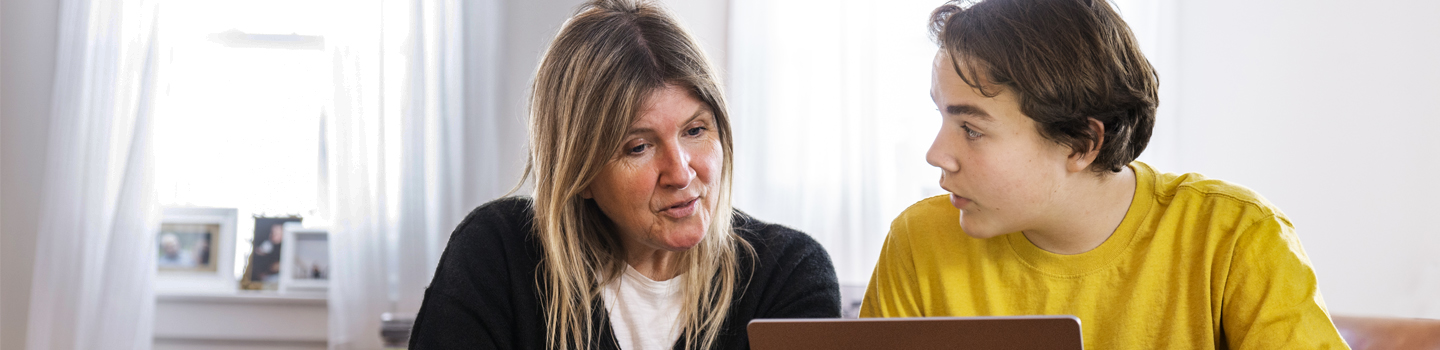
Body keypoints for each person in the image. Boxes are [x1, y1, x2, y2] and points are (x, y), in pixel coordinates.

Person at [860, 0, 1349, 348]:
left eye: (970, 128)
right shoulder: (919, 240)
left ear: (1081, 144)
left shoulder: (1237, 237)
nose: (935, 154)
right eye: (942, 116)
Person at [408, 1, 841, 349]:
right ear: (580, 173)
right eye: (638, 147)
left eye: (695, 130)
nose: (680, 172)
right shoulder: (498, 255)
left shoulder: (787, 275)